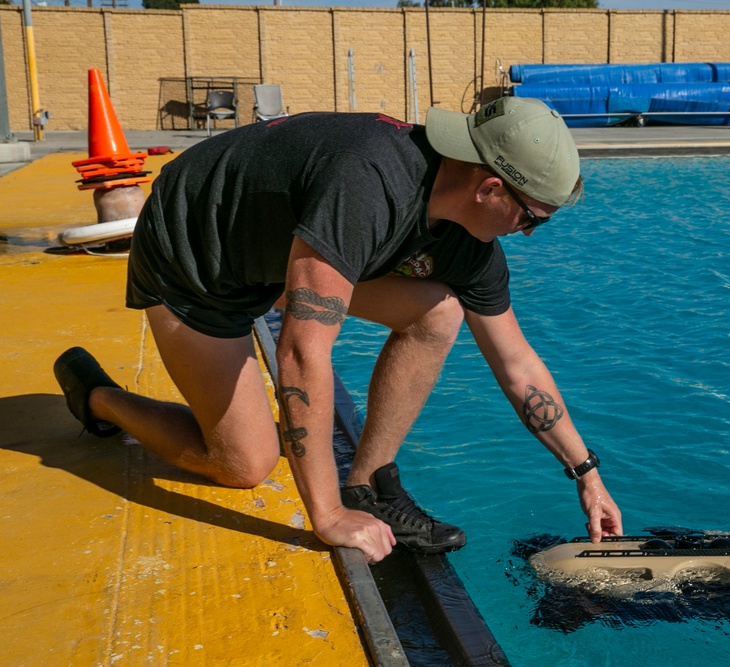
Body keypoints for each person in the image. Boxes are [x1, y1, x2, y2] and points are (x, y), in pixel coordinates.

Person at [53, 97, 623, 564]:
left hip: (277, 252)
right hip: (196, 253)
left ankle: (368, 485)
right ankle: (101, 400)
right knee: (245, 465)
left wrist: (586, 475)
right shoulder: (370, 184)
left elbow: (517, 363)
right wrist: (324, 515)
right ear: (490, 188)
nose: (527, 234)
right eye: (533, 218)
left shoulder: (470, 246)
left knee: (439, 312)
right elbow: (302, 351)